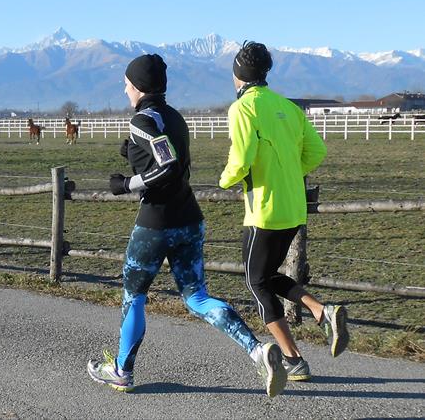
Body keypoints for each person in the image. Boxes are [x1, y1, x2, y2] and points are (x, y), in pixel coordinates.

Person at [87, 53, 287, 397]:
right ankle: (258, 351)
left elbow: (167, 165)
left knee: (133, 296)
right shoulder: (175, 117)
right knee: (197, 298)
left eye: (126, 83)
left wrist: (127, 184)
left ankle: (122, 370)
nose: (124, 89)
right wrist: (133, 153)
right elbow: (168, 154)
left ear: (138, 86)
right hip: (190, 220)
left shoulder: (141, 119)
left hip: (155, 224)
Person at [219, 41, 349, 381]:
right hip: (294, 207)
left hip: (263, 209)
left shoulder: (243, 108)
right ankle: (323, 312)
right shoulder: (289, 108)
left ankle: (293, 359)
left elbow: (242, 158)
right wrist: (290, 173)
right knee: (266, 275)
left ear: (238, 73)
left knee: (255, 281)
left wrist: (224, 180)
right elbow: (317, 151)